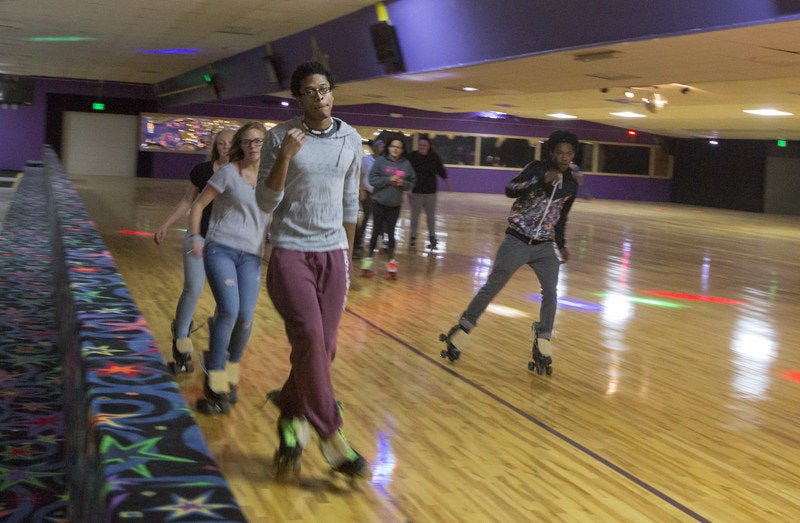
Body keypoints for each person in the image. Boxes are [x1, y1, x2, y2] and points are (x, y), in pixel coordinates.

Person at [255, 61, 368, 480]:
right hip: (291, 252)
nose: (319, 97)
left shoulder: (351, 138)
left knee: (326, 347)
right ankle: (331, 436)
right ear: (298, 98)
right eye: (309, 91)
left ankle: (291, 413)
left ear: (332, 92)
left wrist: (349, 254)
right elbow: (266, 202)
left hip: (334, 252)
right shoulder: (279, 137)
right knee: (309, 335)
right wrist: (285, 156)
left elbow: (351, 203)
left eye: (324, 89)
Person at [440, 130, 580, 376]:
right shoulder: (536, 168)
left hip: (544, 245)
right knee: (493, 285)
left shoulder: (571, 184)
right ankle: (463, 327)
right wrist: (540, 181)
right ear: (551, 153)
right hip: (517, 239)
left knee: (551, 291)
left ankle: (544, 339)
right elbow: (510, 189)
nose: (564, 157)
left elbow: (562, 215)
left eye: (568, 154)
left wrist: (561, 243)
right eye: (559, 152)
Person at [187, 121, 274, 414]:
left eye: (259, 141)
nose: (253, 146)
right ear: (241, 145)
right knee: (229, 310)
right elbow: (198, 205)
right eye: (248, 141)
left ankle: (229, 374)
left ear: (266, 144)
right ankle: (215, 384)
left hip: (251, 256)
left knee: (246, 318)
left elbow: (274, 214)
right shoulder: (227, 173)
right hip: (220, 248)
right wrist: (197, 237)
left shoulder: (272, 178)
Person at [153, 129, 235, 374]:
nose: (224, 147)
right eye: (220, 143)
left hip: (227, 243)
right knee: (193, 287)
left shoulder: (243, 173)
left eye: (229, 143)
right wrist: (166, 224)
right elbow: (188, 201)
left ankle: (219, 350)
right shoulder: (202, 171)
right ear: (215, 146)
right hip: (197, 237)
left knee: (227, 300)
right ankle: (180, 342)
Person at [361, 136, 415, 278]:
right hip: (379, 203)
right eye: (393, 146)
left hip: (394, 205)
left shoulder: (406, 164)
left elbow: (411, 182)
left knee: (391, 235)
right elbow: (372, 179)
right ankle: (366, 267)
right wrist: (388, 180)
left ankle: (391, 269)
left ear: (402, 150)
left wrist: (403, 183)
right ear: (389, 148)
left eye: (399, 147)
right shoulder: (380, 162)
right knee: (375, 234)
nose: (395, 149)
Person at [408, 135, 451, 250]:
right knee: (414, 217)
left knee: (431, 217)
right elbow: (407, 171)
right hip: (416, 192)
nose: (422, 147)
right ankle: (413, 238)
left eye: (424, 145)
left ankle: (432, 238)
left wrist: (447, 183)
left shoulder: (434, 157)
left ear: (428, 146)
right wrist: (407, 188)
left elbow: (441, 170)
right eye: (420, 145)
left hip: (431, 193)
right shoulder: (413, 156)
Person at [352, 139, 384, 259]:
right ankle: (356, 244)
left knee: (376, 220)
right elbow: (360, 174)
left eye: (383, 146)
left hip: (378, 194)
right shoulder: (366, 160)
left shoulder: (383, 161)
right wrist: (361, 190)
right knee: (364, 219)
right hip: (367, 193)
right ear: (375, 148)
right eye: (380, 146)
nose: (382, 148)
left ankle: (371, 243)